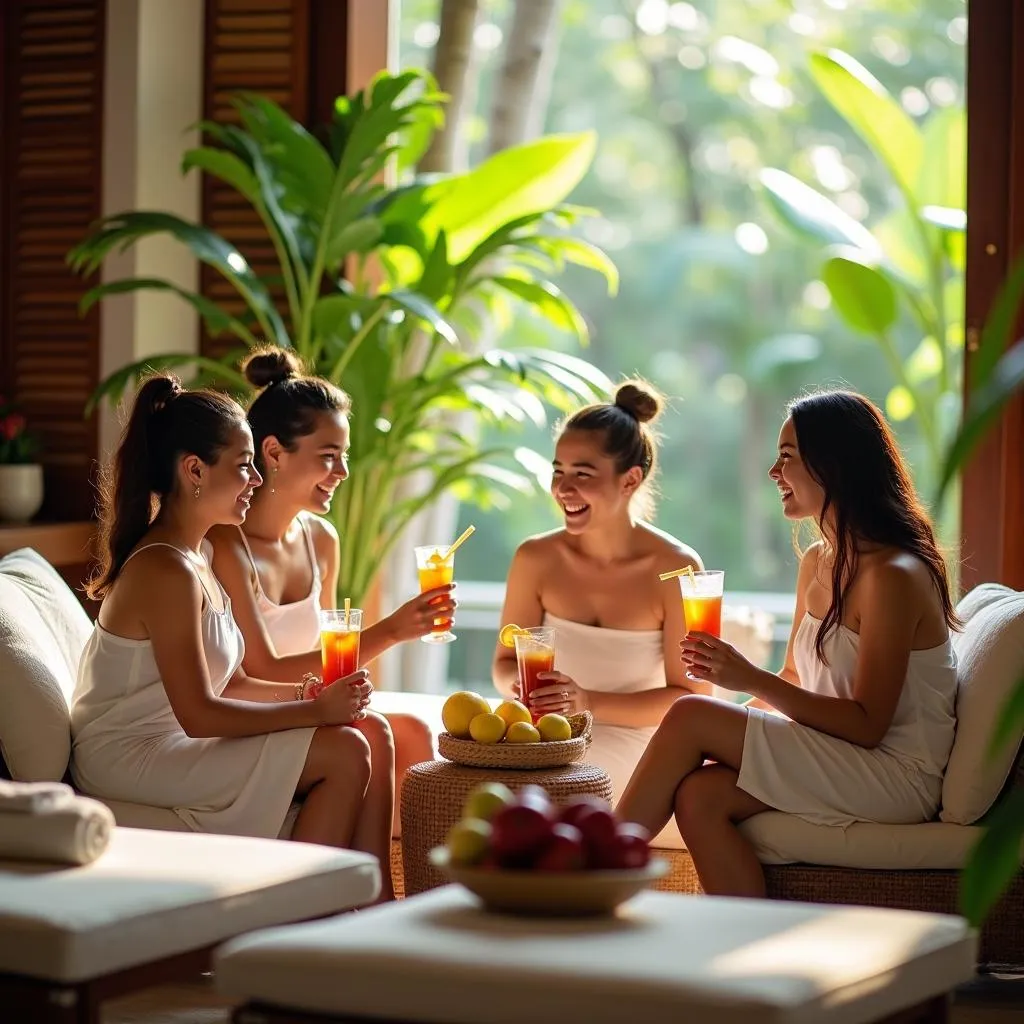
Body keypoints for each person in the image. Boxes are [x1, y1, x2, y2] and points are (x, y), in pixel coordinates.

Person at [616, 389, 959, 898]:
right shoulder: (818, 561)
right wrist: (731, 721)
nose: (774, 474)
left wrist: (738, 688)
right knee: (699, 795)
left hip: (896, 773)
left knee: (690, 714)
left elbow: (868, 725)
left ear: (834, 466)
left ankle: (589, 870)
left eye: (787, 459)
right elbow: (796, 680)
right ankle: (740, 947)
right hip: (839, 751)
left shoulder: (894, 575)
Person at [71, 376, 397, 900]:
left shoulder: (197, 556)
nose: (254, 479)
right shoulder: (165, 569)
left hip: (173, 736)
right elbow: (199, 712)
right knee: (343, 752)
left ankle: (374, 907)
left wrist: (307, 696)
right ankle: (296, 929)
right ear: (194, 470)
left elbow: (237, 680)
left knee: (370, 729)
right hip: (130, 752)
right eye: (243, 464)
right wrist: (315, 714)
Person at [205, 348, 456, 826]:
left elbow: (332, 659)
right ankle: (371, 884)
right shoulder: (226, 542)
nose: (341, 472)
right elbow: (262, 667)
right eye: (328, 456)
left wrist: (340, 696)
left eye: (343, 456)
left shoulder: (322, 540)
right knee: (375, 734)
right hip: (254, 717)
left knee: (414, 734)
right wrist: (392, 631)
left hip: (310, 706)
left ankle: (388, 883)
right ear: (274, 453)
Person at [492, 381, 707, 838]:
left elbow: (690, 699)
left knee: (546, 805)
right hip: (545, 735)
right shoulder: (535, 558)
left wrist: (585, 702)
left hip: (636, 744)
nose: (563, 489)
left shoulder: (676, 568)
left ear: (630, 478)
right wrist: (523, 687)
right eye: (558, 471)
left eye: (583, 474)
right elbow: (504, 662)